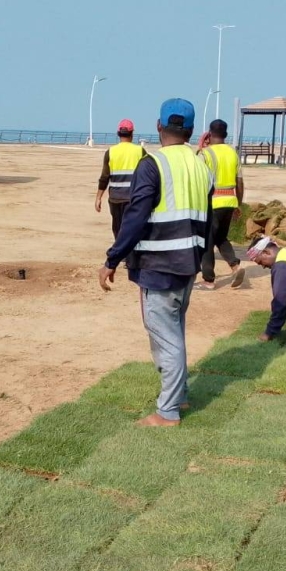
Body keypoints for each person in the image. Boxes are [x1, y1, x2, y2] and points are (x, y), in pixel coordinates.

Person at [98, 99, 212, 427]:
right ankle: (180, 394)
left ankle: (168, 411)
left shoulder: (152, 164)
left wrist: (112, 258)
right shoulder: (201, 166)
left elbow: (134, 217)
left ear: (159, 126)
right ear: (190, 130)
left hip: (158, 265)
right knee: (173, 331)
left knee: (166, 336)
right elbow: (205, 220)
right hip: (187, 263)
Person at [196, 119, 246, 290]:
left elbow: (198, 181)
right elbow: (240, 182)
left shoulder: (205, 154)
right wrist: (238, 204)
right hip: (230, 201)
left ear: (209, 134)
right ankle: (235, 266)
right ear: (225, 134)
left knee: (207, 241)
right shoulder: (233, 153)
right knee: (221, 238)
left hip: (212, 203)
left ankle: (208, 280)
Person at [95, 119, 147, 237]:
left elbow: (104, 177)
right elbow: (147, 176)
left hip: (116, 199)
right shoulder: (140, 151)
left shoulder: (110, 152)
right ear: (132, 134)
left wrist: (98, 197)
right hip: (134, 199)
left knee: (118, 232)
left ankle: (120, 247)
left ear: (118, 134)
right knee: (134, 231)